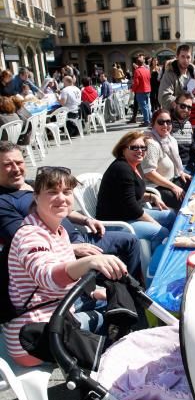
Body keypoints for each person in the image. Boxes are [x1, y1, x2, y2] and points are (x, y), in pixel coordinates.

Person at [4, 166, 128, 366]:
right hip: (33, 338)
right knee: (114, 321)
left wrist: (95, 292)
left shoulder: (58, 230)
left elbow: (62, 284)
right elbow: (47, 276)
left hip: (55, 317)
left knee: (115, 305)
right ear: (35, 196)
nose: (61, 198)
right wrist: (89, 261)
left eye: (67, 192)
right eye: (52, 192)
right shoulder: (30, 235)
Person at [0, 142, 142, 278]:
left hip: (77, 235)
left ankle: (133, 290)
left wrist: (87, 220)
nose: (16, 169)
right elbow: (21, 241)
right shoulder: (3, 201)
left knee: (130, 241)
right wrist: (72, 248)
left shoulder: (33, 184)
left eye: (19, 163)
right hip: (61, 250)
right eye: (7, 165)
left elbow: (64, 208)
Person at [96, 131, 175, 252]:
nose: (140, 151)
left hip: (127, 214)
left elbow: (130, 193)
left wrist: (152, 197)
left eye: (143, 147)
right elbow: (131, 207)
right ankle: (154, 267)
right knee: (161, 231)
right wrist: (154, 223)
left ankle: (166, 249)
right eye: (134, 147)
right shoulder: (122, 169)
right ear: (123, 150)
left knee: (170, 215)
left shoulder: (133, 165)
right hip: (116, 222)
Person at [141, 109, 191, 211]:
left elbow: (174, 162)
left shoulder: (170, 140)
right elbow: (149, 173)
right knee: (186, 202)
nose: (165, 125)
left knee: (194, 188)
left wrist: (181, 172)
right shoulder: (151, 143)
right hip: (156, 187)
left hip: (171, 180)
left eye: (168, 122)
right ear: (153, 124)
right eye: (161, 122)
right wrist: (173, 187)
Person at [170, 94, 195, 174]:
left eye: (189, 108)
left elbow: (191, 146)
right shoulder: (166, 123)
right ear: (174, 104)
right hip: (175, 170)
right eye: (183, 106)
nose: (186, 110)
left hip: (189, 165)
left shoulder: (188, 123)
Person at [159, 44, 194, 110]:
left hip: (193, 115)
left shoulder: (194, 73)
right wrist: (183, 103)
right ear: (177, 57)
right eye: (182, 57)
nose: (185, 60)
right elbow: (164, 97)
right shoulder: (169, 74)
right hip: (174, 115)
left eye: (188, 57)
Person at [132, 54, 151, 127]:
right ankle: (149, 119)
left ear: (137, 63)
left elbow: (136, 82)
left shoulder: (137, 71)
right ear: (143, 62)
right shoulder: (147, 70)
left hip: (140, 90)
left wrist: (133, 89)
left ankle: (147, 121)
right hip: (147, 89)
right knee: (147, 106)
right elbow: (149, 78)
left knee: (144, 107)